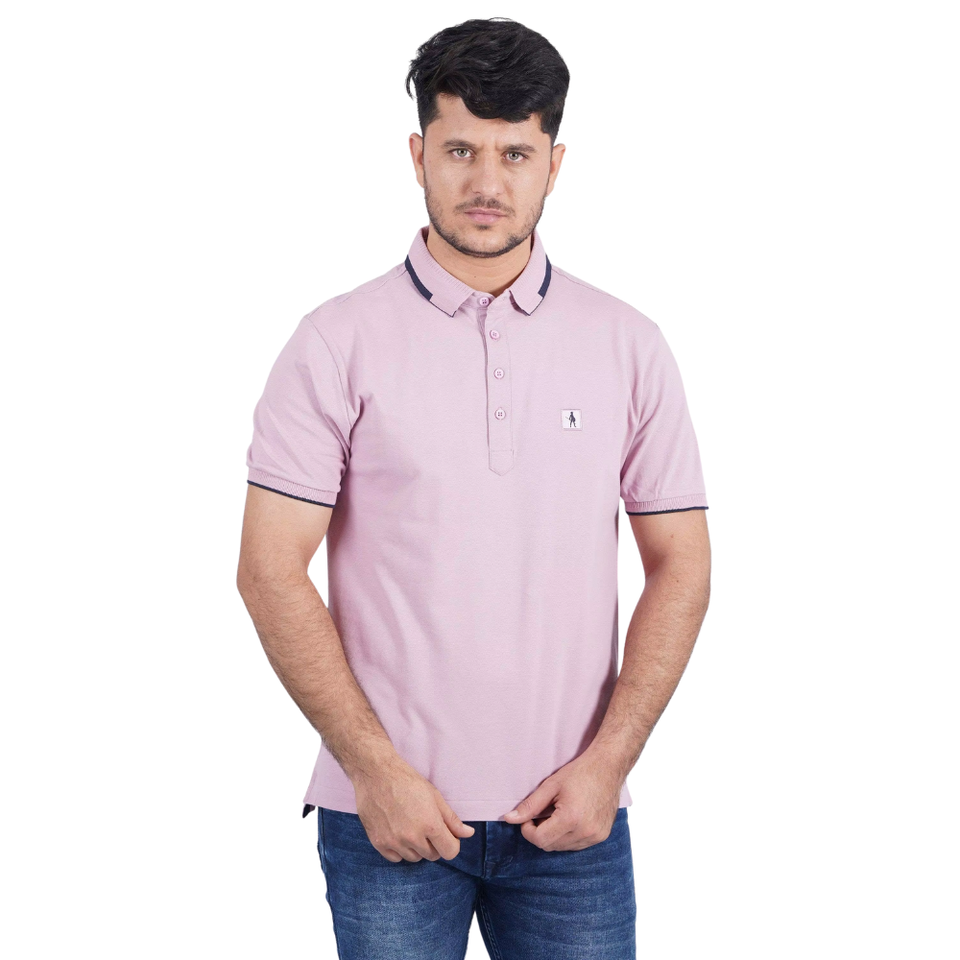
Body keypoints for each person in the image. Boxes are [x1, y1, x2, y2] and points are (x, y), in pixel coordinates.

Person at [236, 16, 711, 959]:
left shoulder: (629, 345)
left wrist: (609, 765)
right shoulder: (335, 342)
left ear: (554, 163)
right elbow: (268, 569)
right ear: (418, 155)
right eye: (460, 150)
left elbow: (682, 565)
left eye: (514, 153)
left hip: (573, 821)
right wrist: (375, 772)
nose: (487, 182)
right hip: (387, 819)